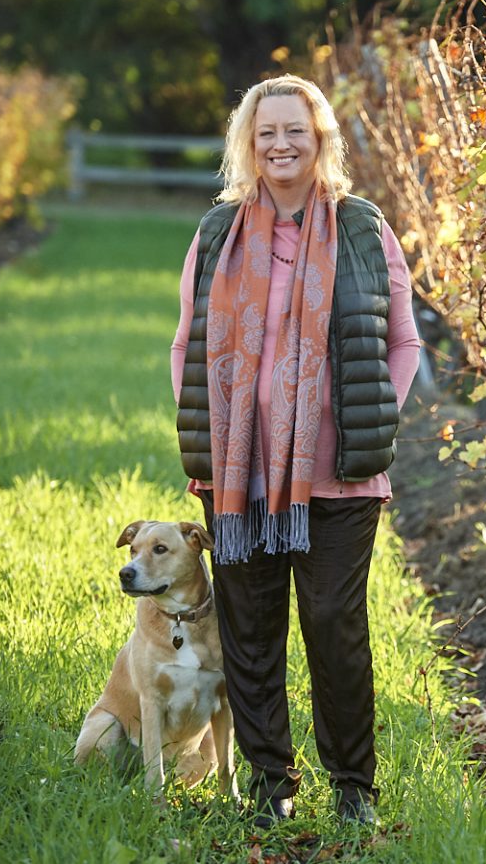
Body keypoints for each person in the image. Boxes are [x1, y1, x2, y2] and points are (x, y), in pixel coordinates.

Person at [170, 74, 422, 828]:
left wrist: (370, 421)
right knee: (249, 633)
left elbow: (402, 341)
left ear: (320, 142)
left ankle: (353, 790)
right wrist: (213, 445)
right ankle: (270, 786)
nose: (281, 145)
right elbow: (188, 341)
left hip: (340, 480)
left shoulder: (363, 228)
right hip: (239, 476)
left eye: (296, 132)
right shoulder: (218, 232)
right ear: (249, 143)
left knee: (335, 630)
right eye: (266, 132)